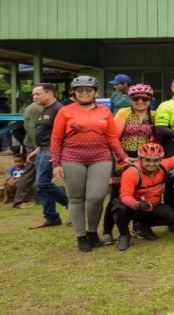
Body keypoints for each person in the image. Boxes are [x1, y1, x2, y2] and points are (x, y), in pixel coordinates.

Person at [51, 76, 132, 252]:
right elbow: (56, 139)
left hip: (100, 158)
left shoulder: (105, 111)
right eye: (80, 90)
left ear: (95, 92)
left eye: (88, 90)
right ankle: (81, 236)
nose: (84, 93)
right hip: (72, 158)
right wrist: (56, 164)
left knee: (96, 197)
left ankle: (92, 231)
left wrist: (123, 156)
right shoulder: (65, 111)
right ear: (74, 92)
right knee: (76, 198)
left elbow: (112, 138)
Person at [101, 83, 156, 245]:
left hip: (144, 159)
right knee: (116, 195)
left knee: (140, 193)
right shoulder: (123, 113)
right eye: (136, 98)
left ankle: (137, 226)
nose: (140, 101)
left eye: (144, 98)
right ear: (131, 99)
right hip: (123, 157)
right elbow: (113, 138)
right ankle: (107, 230)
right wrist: (123, 157)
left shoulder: (154, 115)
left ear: (150, 99)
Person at [112, 143, 174, 251]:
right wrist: (138, 204)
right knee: (120, 208)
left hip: (151, 206)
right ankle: (124, 235)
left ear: (161, 159)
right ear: (140, 159)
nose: (152, 164)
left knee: (171, 215)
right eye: (147, 160)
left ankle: (142, 226)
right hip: (134, 206)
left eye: (156, 160)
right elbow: (125, 196)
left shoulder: (164, 165)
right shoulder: (131, 172)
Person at [26, 83, 69, 228]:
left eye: (38, 94)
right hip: (42, 150)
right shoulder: (45, 109)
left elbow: (62, 134)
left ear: (50, 93)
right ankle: (51, 217)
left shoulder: (59, 109)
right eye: (33, 94)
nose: (34, 97)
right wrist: (36, 151)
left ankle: (71, 204)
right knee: (40, 186)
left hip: (51, 150)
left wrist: (56, 153)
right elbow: (47, 133)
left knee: (42, 183)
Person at [13, 101, 43, 208]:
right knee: (31, 172)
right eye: (35, 94)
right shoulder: (35, 108)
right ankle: (19, 201)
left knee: (39, 171)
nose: (36, 96)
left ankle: (40, 199)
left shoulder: (43, 107)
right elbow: (31, 128)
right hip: (35, 145)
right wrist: (36, 146)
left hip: (38, 145)